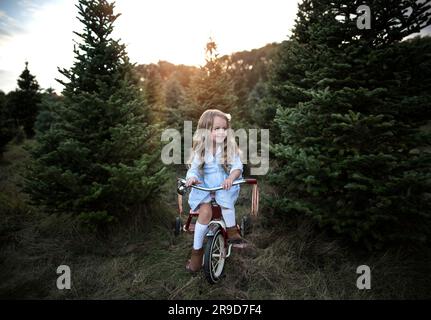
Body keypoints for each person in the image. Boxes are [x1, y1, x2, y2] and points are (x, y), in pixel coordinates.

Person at [185, 109, 244, 272]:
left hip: (223, 184)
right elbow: (194, 170)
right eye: (216, 128)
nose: (221, 132)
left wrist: (231, 178)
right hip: (205, 186)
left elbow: (237, 167)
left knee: (225, 200)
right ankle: (196, 253)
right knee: (204, 213)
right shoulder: (200, 150)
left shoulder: (228, 148)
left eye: (224, 128)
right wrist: (192, 178)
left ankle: (232, 231)